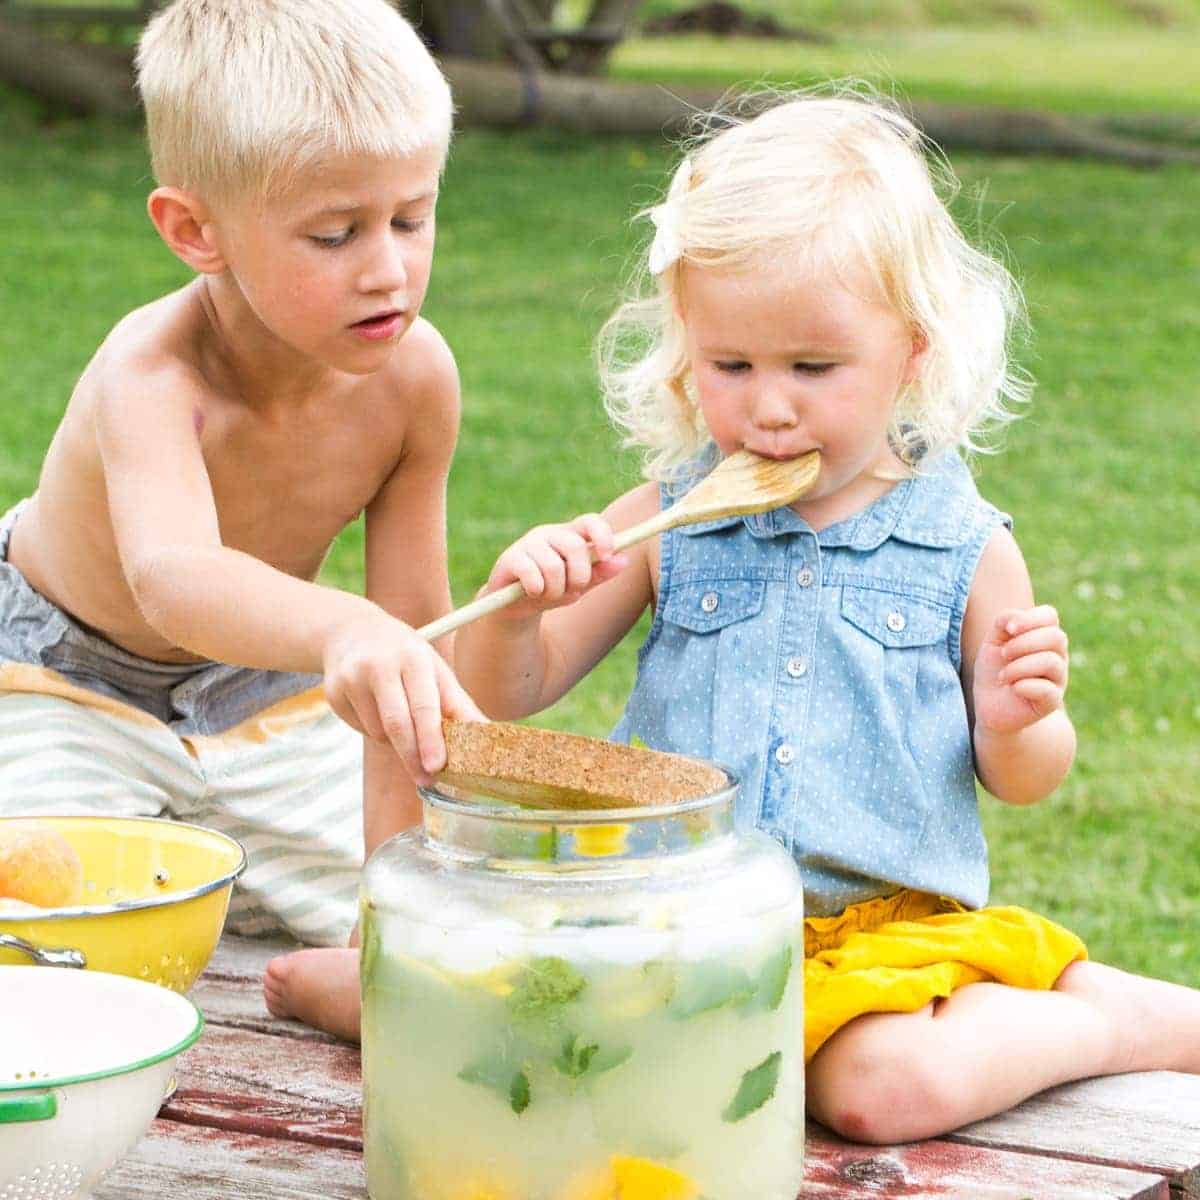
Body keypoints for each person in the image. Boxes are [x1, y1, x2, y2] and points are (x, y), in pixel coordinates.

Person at [451, 90, 1200, 1143]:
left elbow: (1023, 777)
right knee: (475, 1015)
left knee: (880, 1093)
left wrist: (1020, 718)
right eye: (731, 366)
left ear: (913, 353)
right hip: (677, 916)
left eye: (813, 368)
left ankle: (1107, 1021)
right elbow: (506, 694)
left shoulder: (966, 546)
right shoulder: (671, 519)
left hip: (875, 941)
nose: (768, 406)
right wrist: (520, 608)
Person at [0, 0, 482, 998]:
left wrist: (394, 919)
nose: (388, 268)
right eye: (335, 234)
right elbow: (176, 579)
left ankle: (316, 951)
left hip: (263, 701)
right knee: (44, 918)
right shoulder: (152, 376)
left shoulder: (415, 381)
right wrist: (349, 627)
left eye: (411, 217)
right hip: (60, 686)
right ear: (195, 232)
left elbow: (411, 644)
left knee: (441, 915)